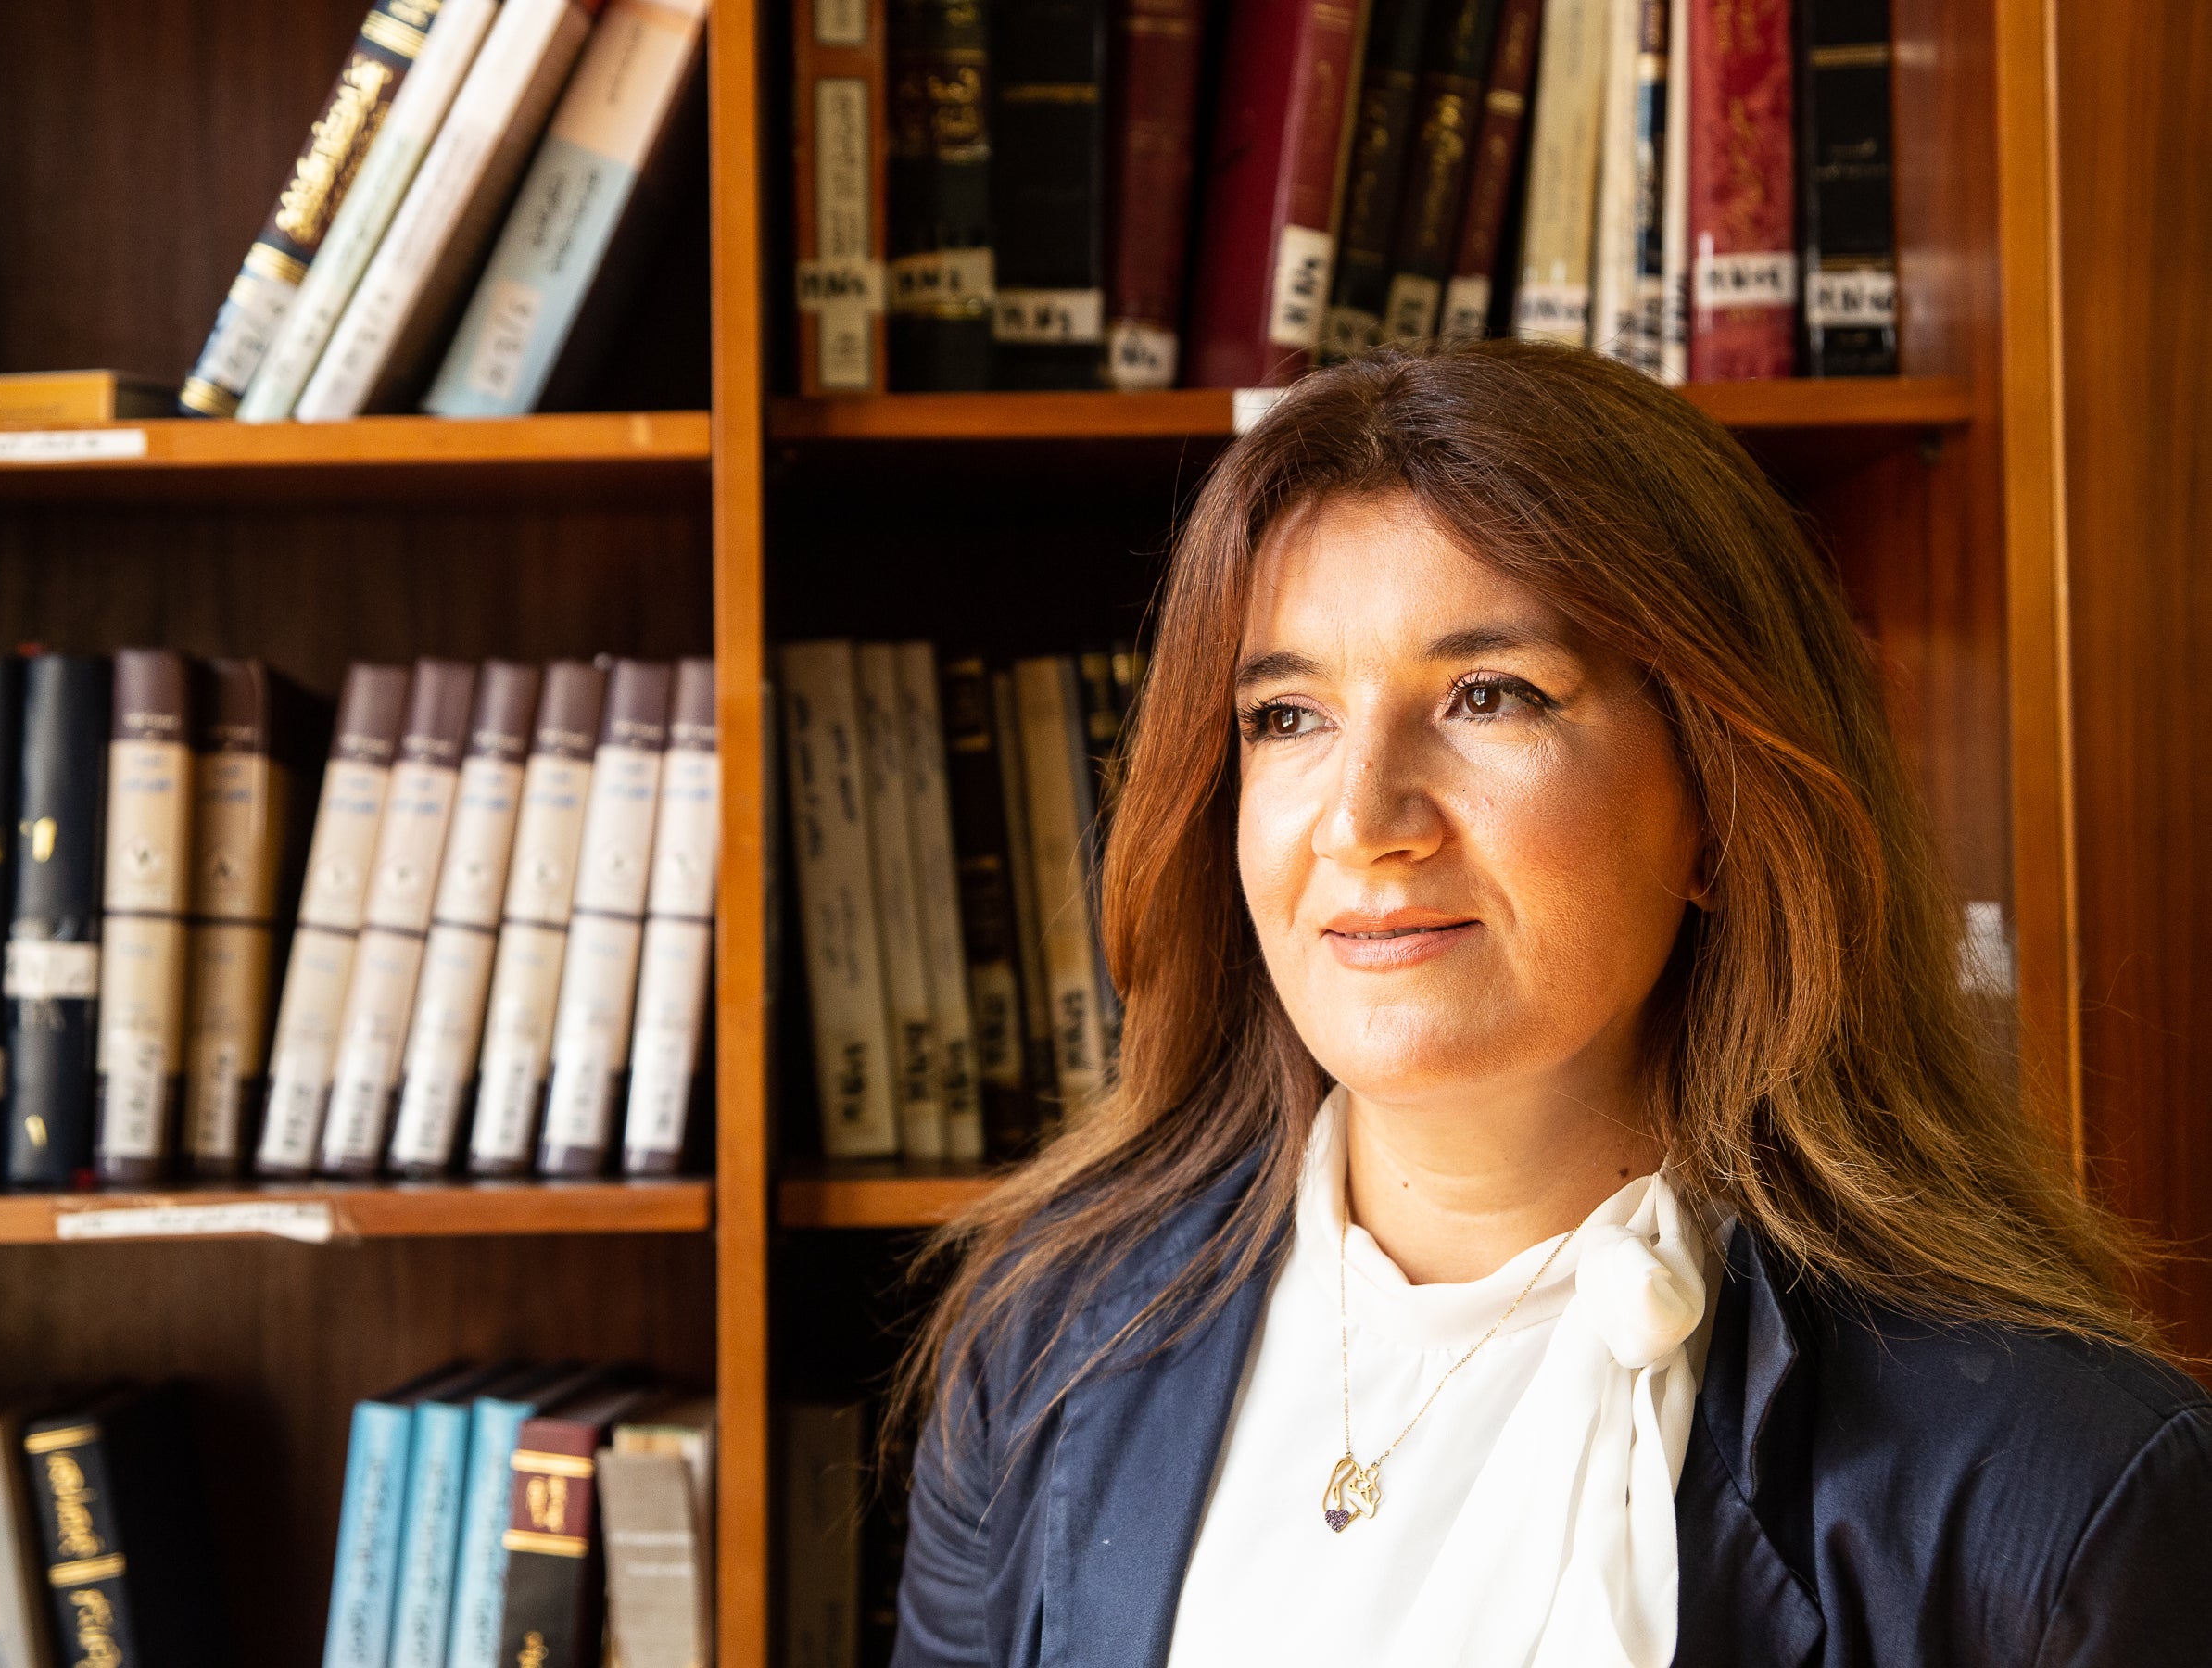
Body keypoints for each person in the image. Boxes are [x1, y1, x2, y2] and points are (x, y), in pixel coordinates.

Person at [889, 344, 2211, 1668]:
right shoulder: (1043, 1342)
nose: (1361, 823)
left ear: (1717, 803)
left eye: (1489, 695)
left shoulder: (2063, 1496)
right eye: (1287, 716)